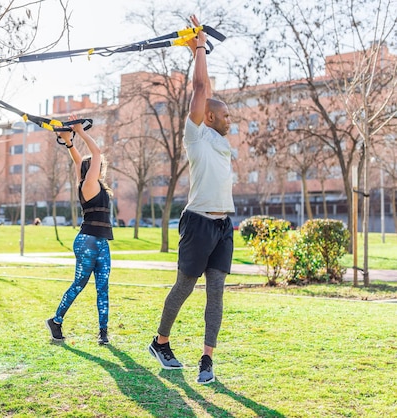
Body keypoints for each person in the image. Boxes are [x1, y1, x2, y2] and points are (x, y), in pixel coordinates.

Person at [147, 14, 234, 384]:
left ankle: (207, 360)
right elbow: (200, 89)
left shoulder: (218, 138)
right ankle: (160, 341)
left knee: (216, 293)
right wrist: (198, 46)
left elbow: (207, 86)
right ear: (210, 116)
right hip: (198, 222)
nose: (231, 117)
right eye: (225, 114)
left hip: (223, 224)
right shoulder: (196, 136)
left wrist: (200, 51)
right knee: (185, 287)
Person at [45, 116, 114, 345]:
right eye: (95, 166)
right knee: (79, 284)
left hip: (101, 242)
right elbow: (96, 154)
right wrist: (80, 132)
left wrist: (70, 142)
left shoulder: (87, 182)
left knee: (103, 289)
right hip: (87, 242)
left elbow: (78, 162)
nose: (99, 166)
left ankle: (103, 333)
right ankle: (56, 320)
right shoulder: (88, 185)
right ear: (92, 170)